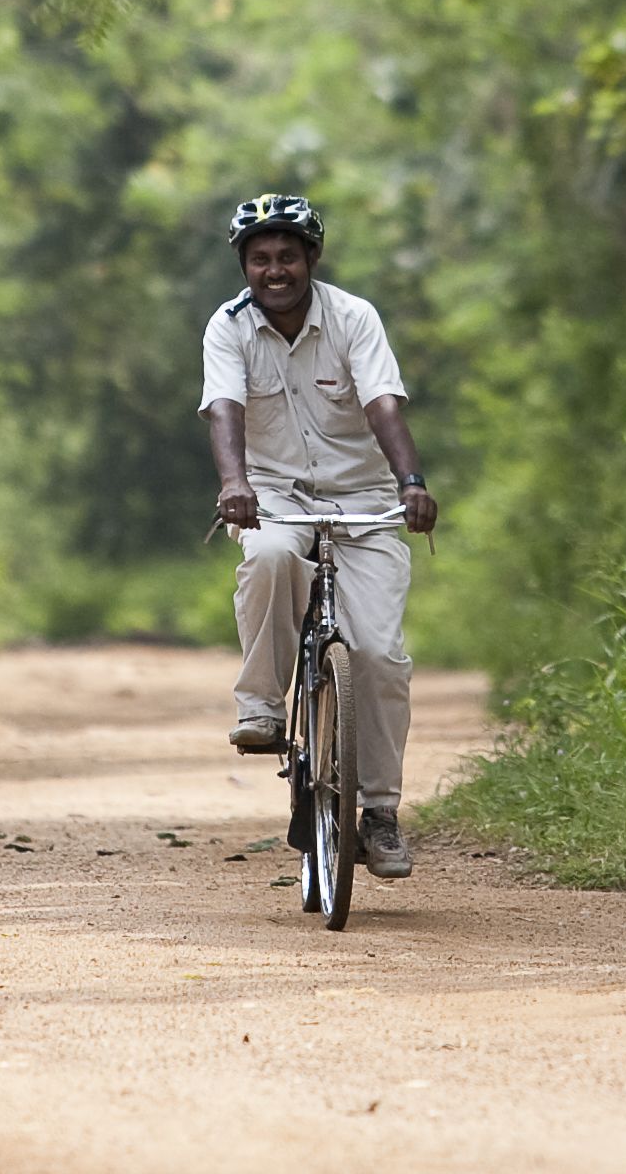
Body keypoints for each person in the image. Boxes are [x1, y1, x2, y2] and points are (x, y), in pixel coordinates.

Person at [203, 192, 439, 880]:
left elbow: (382, 403)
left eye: (287, 256)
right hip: (272, 495)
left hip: (362, 498)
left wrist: (411, 482)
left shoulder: (353, 317)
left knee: (380, 656)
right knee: (272, 556)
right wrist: (234, 483)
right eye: (260, 259)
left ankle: (380, 812)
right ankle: (261, 706)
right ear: (244, 266)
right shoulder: (229, 327)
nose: (274, 270)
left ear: (312, 258)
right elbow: (224, 408)